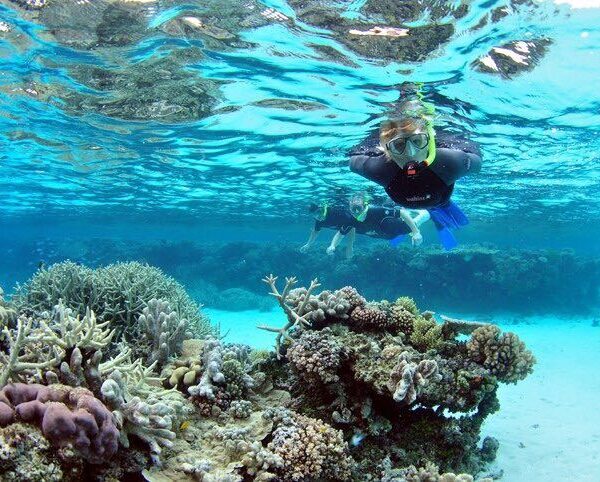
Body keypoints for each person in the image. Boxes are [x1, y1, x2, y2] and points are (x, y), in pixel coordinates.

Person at [349, 115, 482, 249]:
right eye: (399, 145)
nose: (410, 153)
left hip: (439, 200)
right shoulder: (379, 168)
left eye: (418, 141)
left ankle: (435, 220)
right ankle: (432, 219)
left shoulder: (451, 161)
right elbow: (353, 164)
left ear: (430, 141)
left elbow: (477, 163)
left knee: (433, 208)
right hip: (434, 199)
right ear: (387, 150)